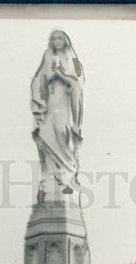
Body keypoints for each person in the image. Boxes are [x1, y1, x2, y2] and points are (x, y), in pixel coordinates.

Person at [30, 29, 85, 196]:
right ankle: (47, 183)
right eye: (54, 38)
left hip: (65, 106)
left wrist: (60, 74)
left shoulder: (72, 59)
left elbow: (78, 82)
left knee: (64, 138)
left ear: (66, 40)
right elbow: (39, 78)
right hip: (49, 104)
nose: (57, 40)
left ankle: (65, 180)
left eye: (60, 38)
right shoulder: (48, 56)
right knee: (46, 139)